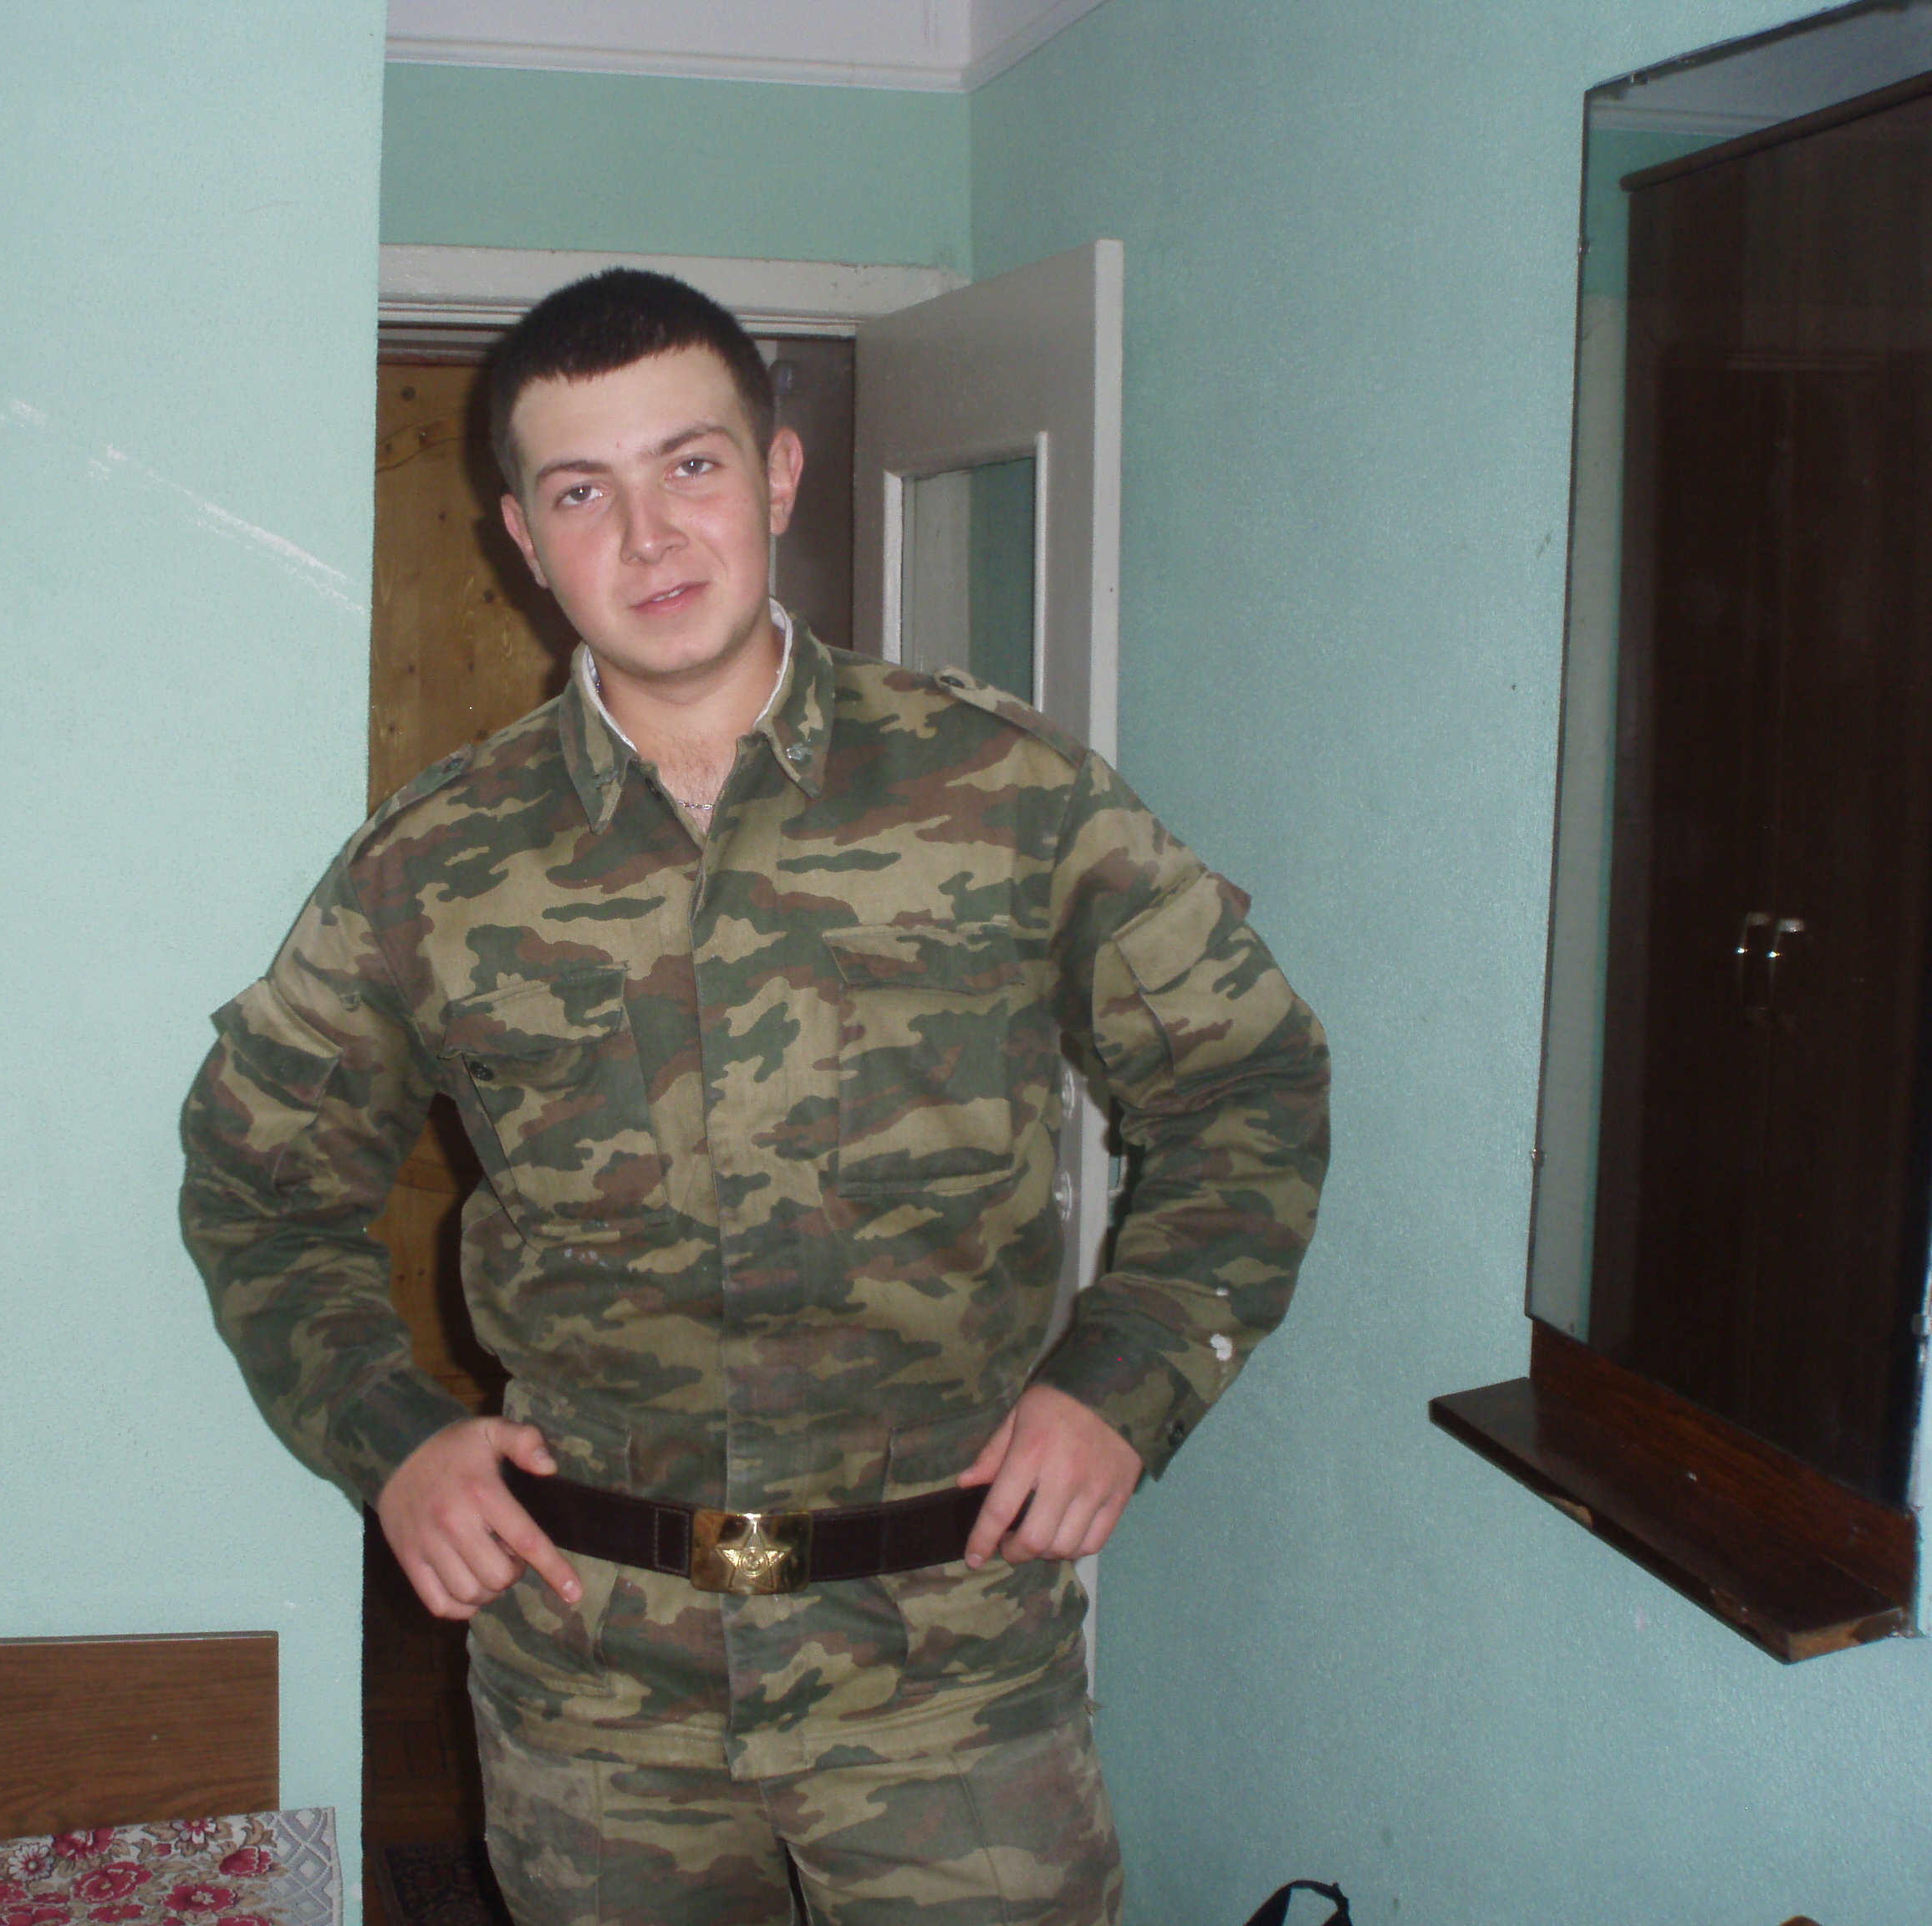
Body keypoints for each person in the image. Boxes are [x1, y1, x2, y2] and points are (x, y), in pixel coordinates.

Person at [181, 268, 1329, 1926]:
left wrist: (1127, 1378)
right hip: (593, 1676)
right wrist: (394, 1441)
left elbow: (1248, 1083)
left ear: (778, 474)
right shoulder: (434, 869)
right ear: (522, 536)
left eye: (691, 466)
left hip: (948, 1672)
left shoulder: (1006, 794)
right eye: (584, 492)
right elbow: (258, 1183)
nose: (649, 536)